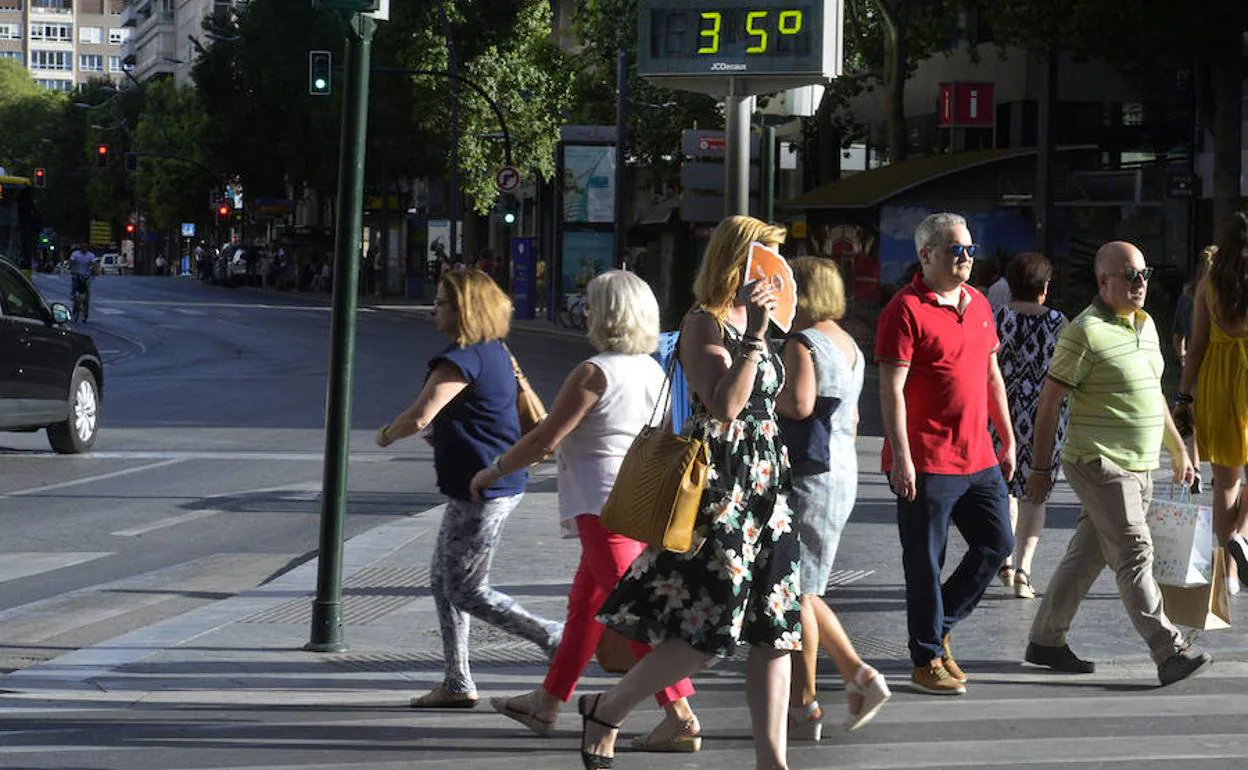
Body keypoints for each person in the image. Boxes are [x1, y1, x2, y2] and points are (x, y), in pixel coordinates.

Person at [578, 215, 802, 770]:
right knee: (707, 627)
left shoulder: (764, 322)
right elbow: (724, 406)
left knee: (776, 630)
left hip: (768, 492)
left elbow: (781, 405)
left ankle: (773, 762)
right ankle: (608, 708)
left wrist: (783, 337)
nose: (775, 269)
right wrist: (753, 336)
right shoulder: (704, 323)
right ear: (739, 261)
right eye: (765, 257)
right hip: (722, 490)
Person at [471, 270, 701, 751]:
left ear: (611, 313)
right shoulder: (652, 369)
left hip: (601, 505)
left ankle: (680, 714)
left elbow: (545, 439)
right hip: (636, 502)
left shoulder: (594, 372)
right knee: (586, 605)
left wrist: (494, 470)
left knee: (629, 610)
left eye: (593, 304)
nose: (587, 312)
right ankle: (548, 700)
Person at [1024, 241, 1211, 686]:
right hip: (1099, 462)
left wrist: (1178, 449)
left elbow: (1154, 394)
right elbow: (1049, 403)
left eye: (1144, 274)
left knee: (1087, 556)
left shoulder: (1146, 326)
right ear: (1103, 281)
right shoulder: (1084, 332)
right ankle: (1169, 652)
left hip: (1140, 466)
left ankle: (1045, 640)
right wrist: (1039, 468)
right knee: (1134, 553)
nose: (1140, 283)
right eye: (1130, 275)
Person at [376, 268, 563, 708]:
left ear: (463, 309)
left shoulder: (459, 359)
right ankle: (457, 681)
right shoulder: (493, 350)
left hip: (484, 488)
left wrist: (386, 434)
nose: (433, 309)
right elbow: (481, 414)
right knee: (444, 582)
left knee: (465, 589)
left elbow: (420, 415)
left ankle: (551, 635)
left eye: (441, 302)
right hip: (480, 485)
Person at [875, 212, 1015, 696]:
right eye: (957, 250)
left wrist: (1008, 437)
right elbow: (891, 390)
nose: (967, 259)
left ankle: (939, 626)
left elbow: (992, 374)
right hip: (928, 460)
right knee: (924, 562)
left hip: (978, 456)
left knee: (998, 544)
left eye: (971, 250)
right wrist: (902, 456)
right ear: (926, 254)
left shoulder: (978, 302)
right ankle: (926, 658)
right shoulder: (905, 310)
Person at [777, 256, 890, 739]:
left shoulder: (802, 342)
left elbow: (800, 405)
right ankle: (853, 676)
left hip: (810, 472)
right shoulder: (848, 343)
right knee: (806, 584)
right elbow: (853, 416)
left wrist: (765, 394)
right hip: (842, 464)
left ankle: (811, 701)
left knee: (797, 587)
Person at [1178, 213, 1248, 595]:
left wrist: (1184, 395)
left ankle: (1228, 574)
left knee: (1225, 483)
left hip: (1218, 383)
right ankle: (1241, 532)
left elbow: (1197, 346)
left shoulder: (1208, 284)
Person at [992, 253, 1068, 600]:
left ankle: (1004, 560)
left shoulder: (997, 318)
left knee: (1005, 485)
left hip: (1001, 413)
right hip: (1045, 417)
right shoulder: (1059, 322)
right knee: (1035, 494)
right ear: (1045, 286)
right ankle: (1024, 569)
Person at [1173, 244, 1217, 494]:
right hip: (1219, 363)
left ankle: (1197, 468)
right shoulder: (1224, 293)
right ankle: (1223, 471)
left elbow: (1179, 333)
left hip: (1192, 363)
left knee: (1189, 419)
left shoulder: (1188, 295)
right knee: (1220, 417)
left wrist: (1181, 358)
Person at [67, 244, 99, 321]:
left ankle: (85, 309)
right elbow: (71, 261)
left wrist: (95, 271)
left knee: (87, 292)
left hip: (86, 277)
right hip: (76, 275)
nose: (84, 249)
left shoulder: (90, 255)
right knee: (75, 286)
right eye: (82, 248)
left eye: (85, 248)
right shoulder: (75, 254)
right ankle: (73, 295)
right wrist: (70, 266)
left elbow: (94, 264)